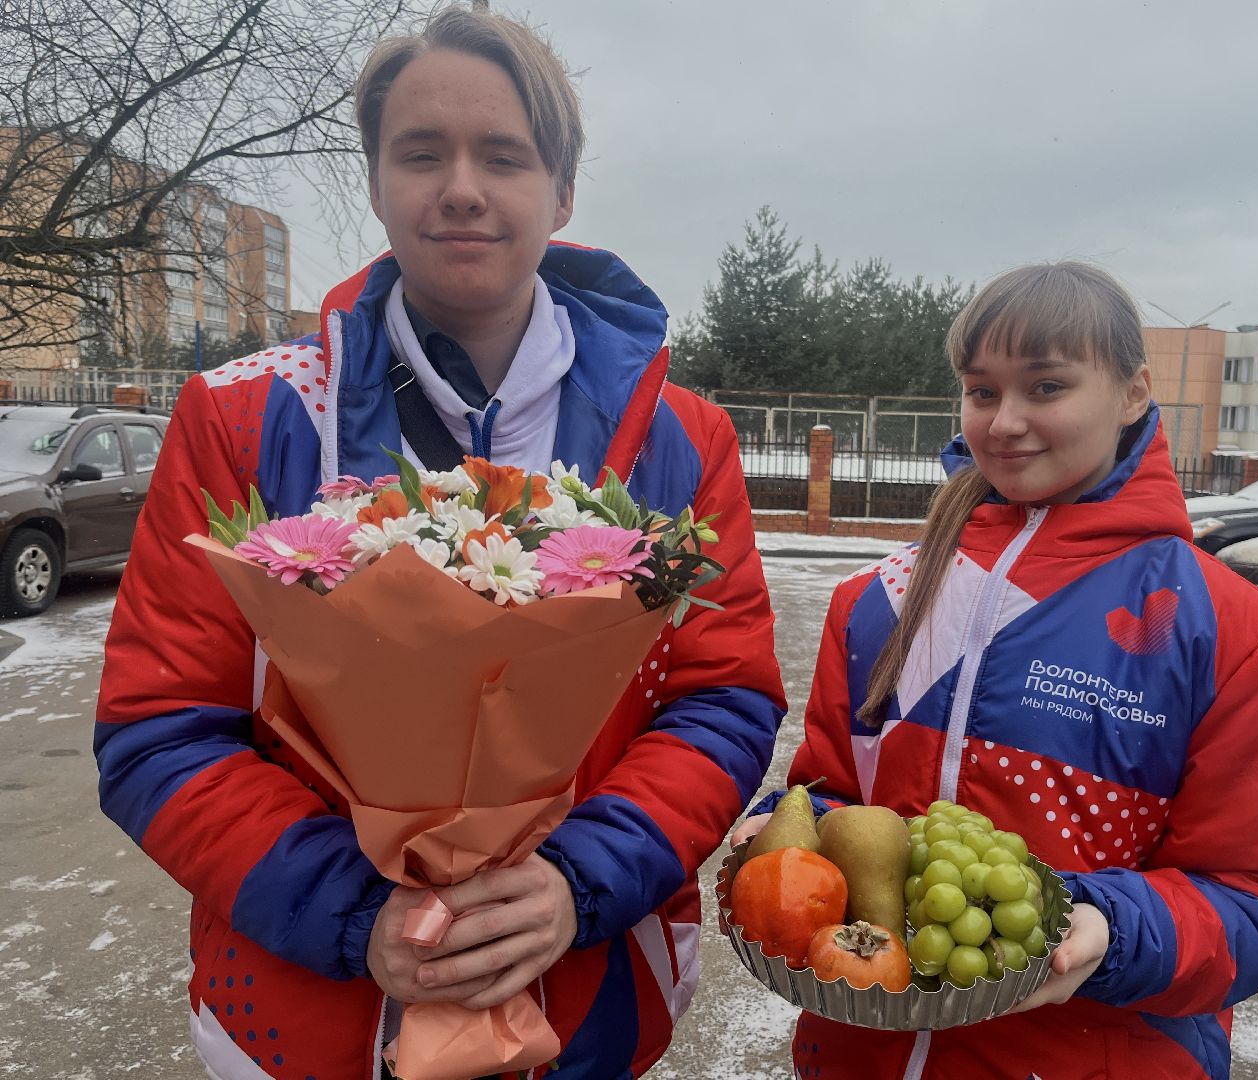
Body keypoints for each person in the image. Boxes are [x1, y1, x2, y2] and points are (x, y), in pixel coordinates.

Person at [94, 8, 784, 1079]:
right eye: (422, 153)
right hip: (306, 1012)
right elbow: (158, 729)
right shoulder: (242, 419)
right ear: (374, 183)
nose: (461, 186)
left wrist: (577, 880)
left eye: (504, 155)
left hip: (587, 999)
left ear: (560, 193)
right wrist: (358, 913)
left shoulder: (685, 442)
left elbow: (723, 703)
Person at [736, 262, 1258, 1079]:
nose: (1005, 421)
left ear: (1132, 392)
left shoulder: (1237, 634)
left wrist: (1110, 928)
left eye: (1046, 387)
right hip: (858, 1052)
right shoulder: (879, 599)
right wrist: (783, 833)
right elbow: (835, 795)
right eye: (981, 391)